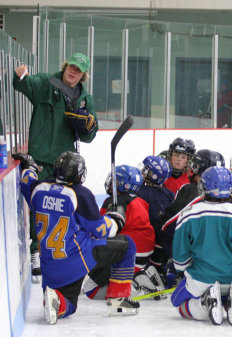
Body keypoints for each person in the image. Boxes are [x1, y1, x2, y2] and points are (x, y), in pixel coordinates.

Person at [14, 151, 139, 324]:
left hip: (49, 268)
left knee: (69, 305)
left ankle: (54, 299)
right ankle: (119, 301)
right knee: (127, 245)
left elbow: (27, 180)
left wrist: (29, 167)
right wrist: (115, 220)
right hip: (75, 259)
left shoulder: (38, 189)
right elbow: (100, 230)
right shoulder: (80, 194)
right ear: (79, 174)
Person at [13, 52, 98, 276]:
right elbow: (25, 85)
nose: (73, 72)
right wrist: (20, 76)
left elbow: (91, 134)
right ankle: (36, 251)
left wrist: (87, 126)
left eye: (78, 70)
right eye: (71, 67)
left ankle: (62, 249)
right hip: (40, 158)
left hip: (65, 164)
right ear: (65, 66)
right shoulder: (46, 83)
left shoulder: (84, 99)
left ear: (83, 75)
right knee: (38, 206)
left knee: (63, 208)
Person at [170, 166, 232, 325]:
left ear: (204, 187)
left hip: (200, 279)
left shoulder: (188, 213)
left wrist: (181, 269)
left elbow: (180, 254)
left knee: (180, 306)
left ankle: (205, 303)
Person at [135, 156, 175, 271]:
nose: (142, 171)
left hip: (144, 246)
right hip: (163, 245)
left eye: (145, 169)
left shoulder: (138, 191)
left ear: (152, 174)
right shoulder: (170, 194)